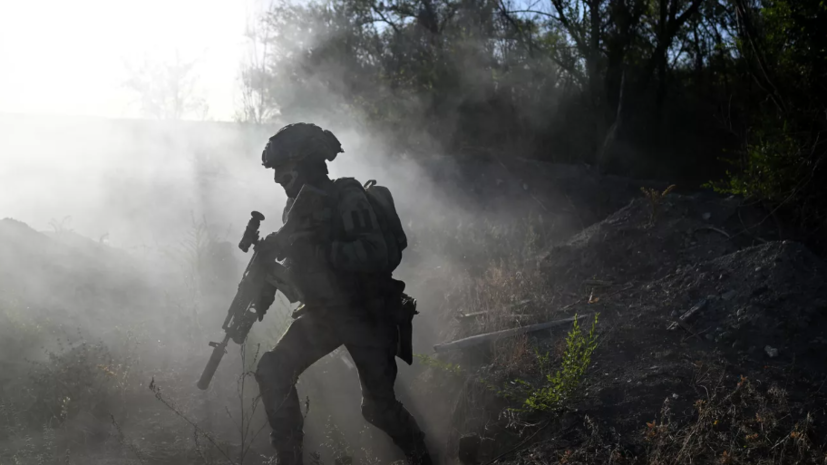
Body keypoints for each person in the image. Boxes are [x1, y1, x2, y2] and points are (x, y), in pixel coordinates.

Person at [253, 123, 432, 465]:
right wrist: (271, 279)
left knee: (378, 408)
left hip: (367, 312)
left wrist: (320, 252)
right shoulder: (295, 208)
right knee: (273, 370)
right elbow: (303, 272)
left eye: (282, 170)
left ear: (304, 163)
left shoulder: (346, 196)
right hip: (324, 314)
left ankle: (424, 457)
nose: (277, 178)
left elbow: (374, 252)